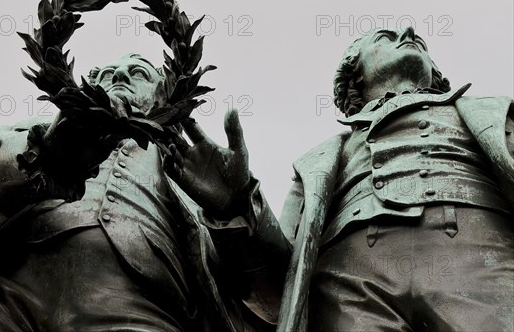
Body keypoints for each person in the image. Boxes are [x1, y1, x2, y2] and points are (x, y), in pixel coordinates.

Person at [170, 26, 514, 331]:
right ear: (356, 76)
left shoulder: (492, 115)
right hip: (349, 288)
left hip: (478, 264)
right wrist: (237, 203)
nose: (409, 32)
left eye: (419, 41)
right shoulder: (317, 163)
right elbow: (282, 271)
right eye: (385, 37)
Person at [0, 53, 289, 332]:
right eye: (107, 73)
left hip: (137, 307)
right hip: (1, 287)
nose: (119, 75)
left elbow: (277, 295)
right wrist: (38, 153)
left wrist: (235, 205)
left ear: (163, 93)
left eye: (137, 72)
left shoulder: (197, 169)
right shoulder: (37, 131)